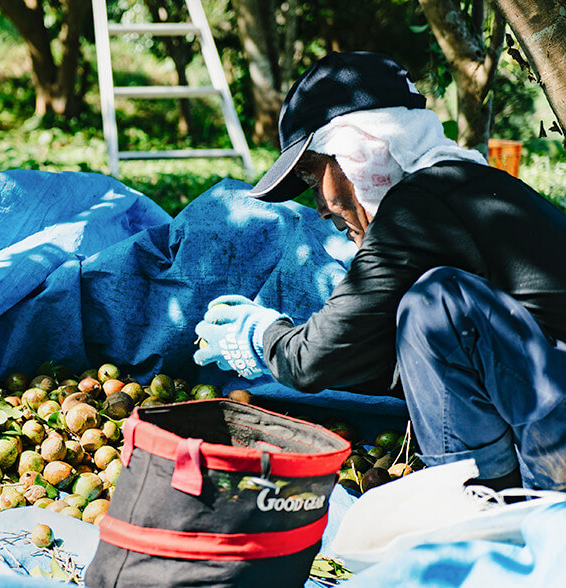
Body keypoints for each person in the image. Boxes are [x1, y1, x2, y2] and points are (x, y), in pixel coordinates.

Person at [192, 51, 566, 491]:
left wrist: (262, 338)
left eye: (316, 179)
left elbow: (313, 361)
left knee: (436, 303)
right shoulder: (470, 190)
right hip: (546, 403)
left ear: (359, 154)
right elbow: (401, 360)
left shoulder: (420, 206)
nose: (319, 207)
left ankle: (483, 506)